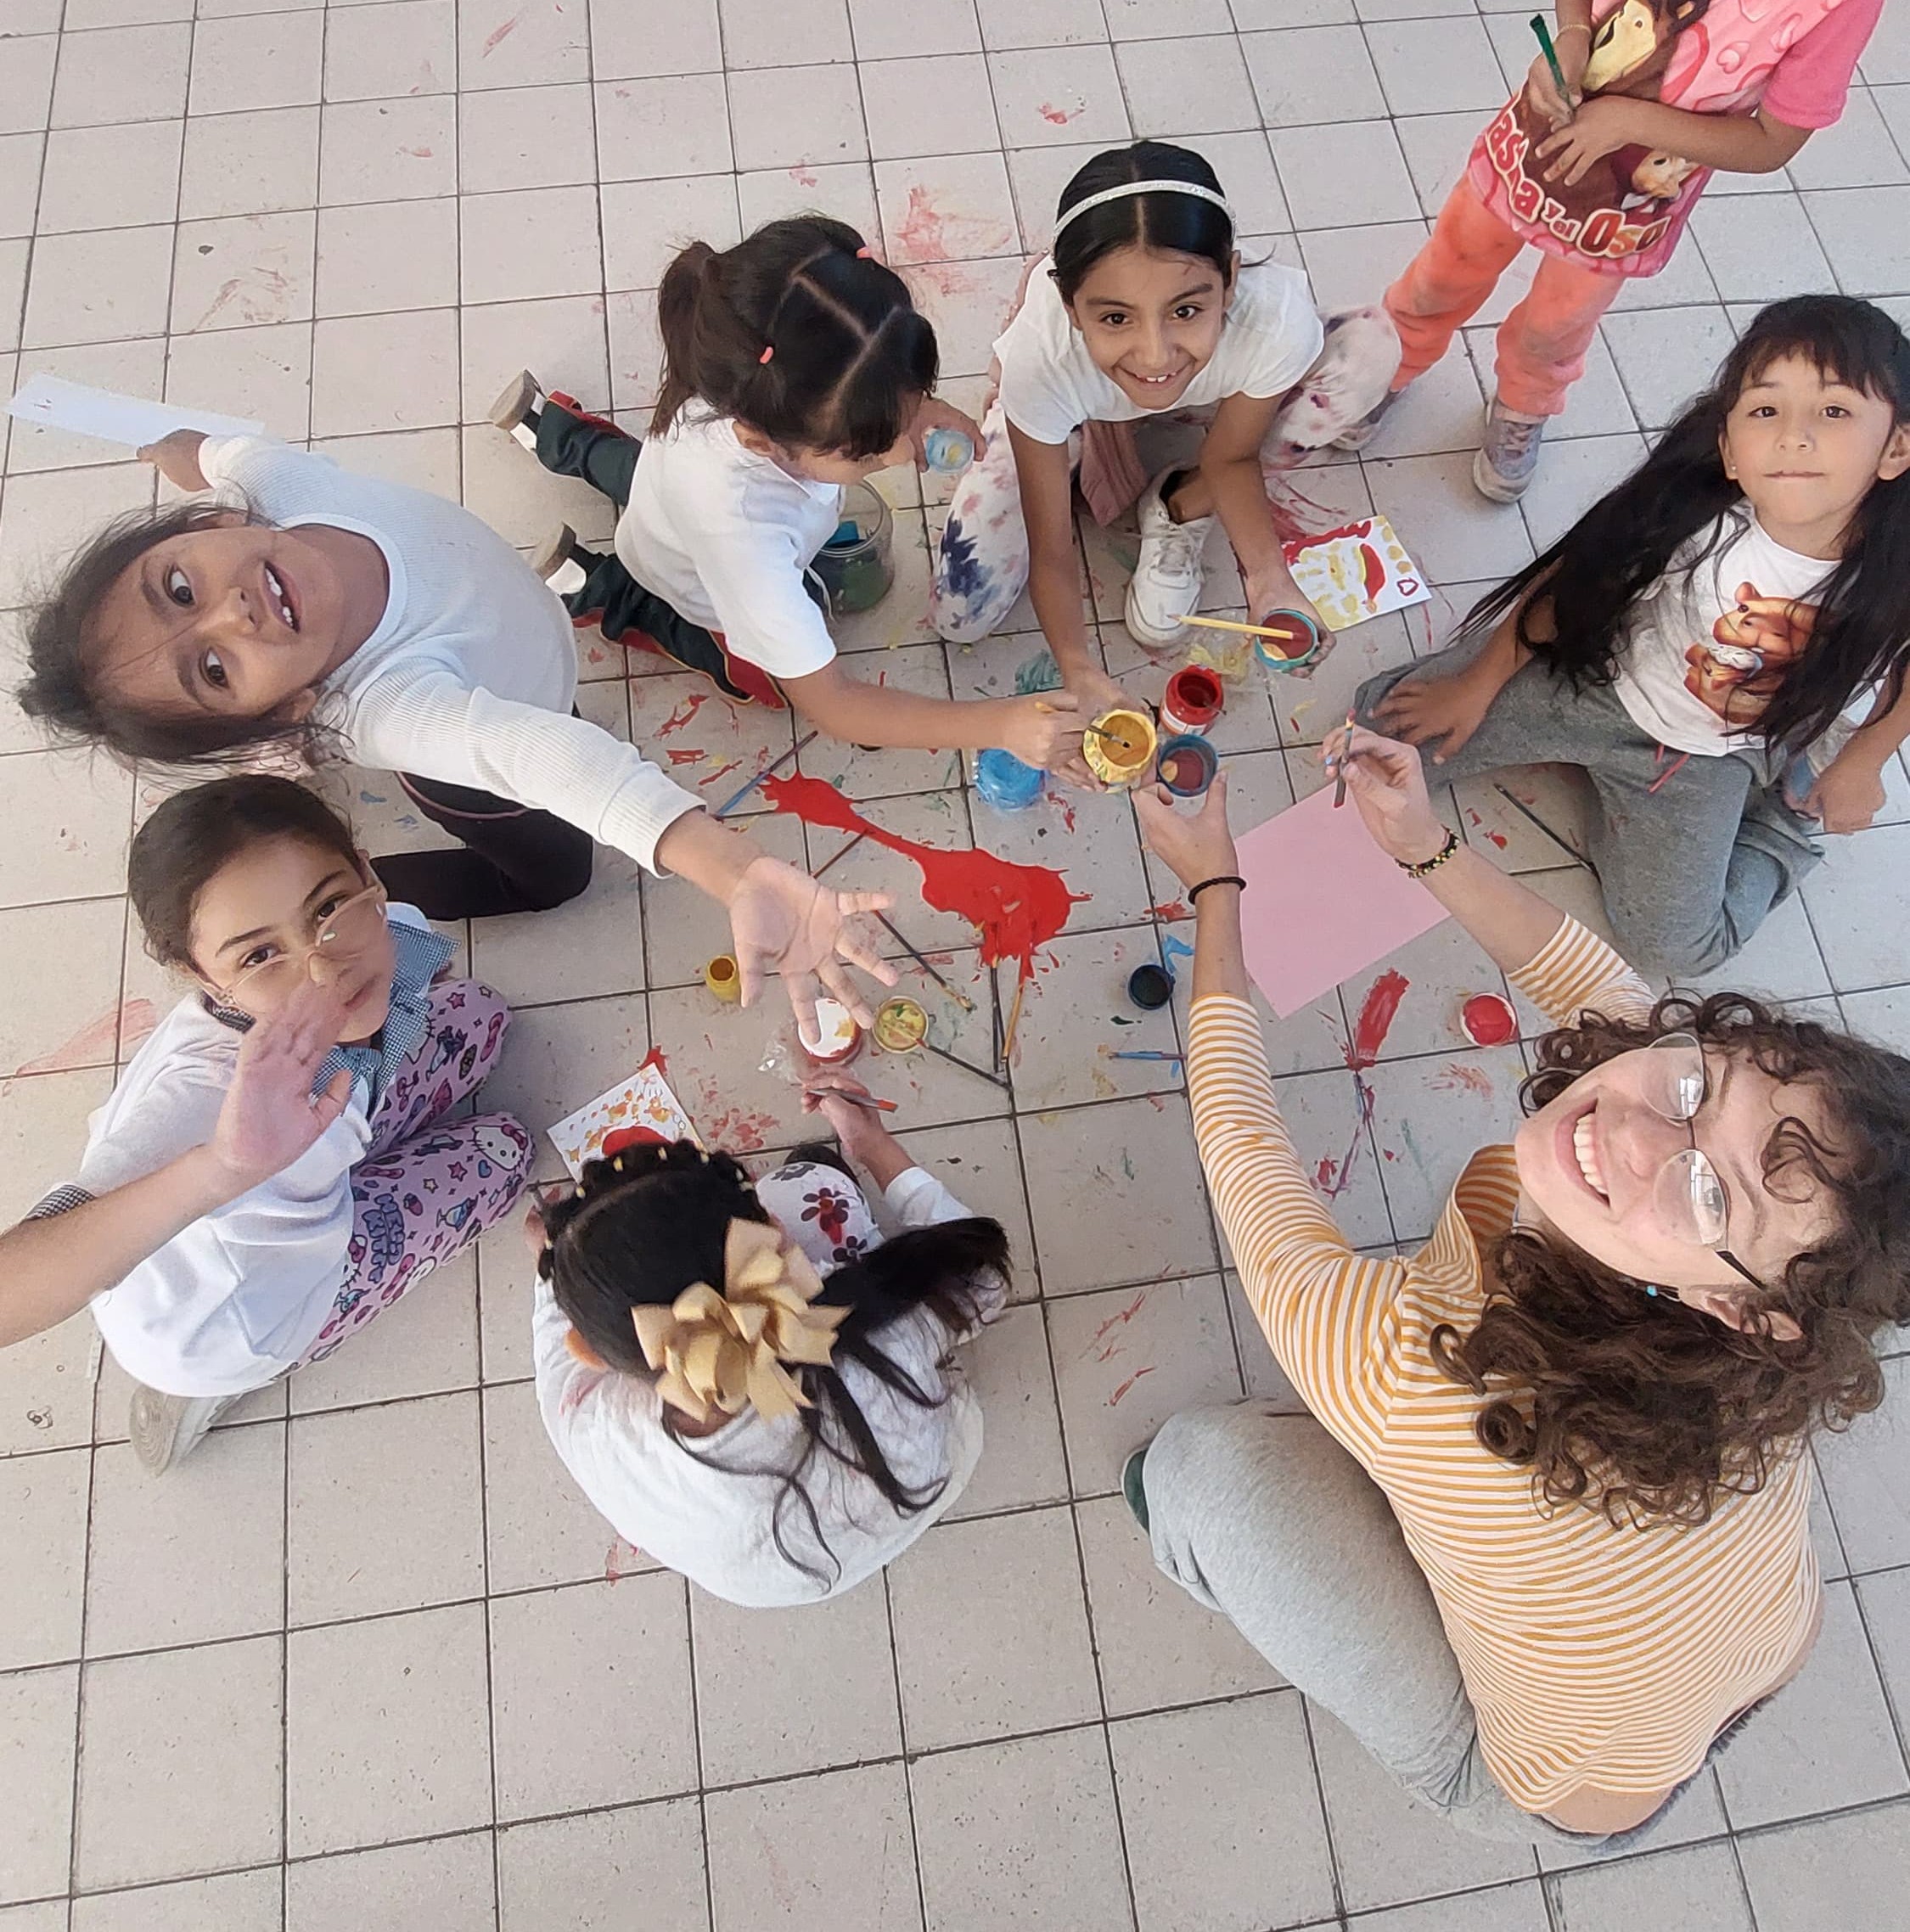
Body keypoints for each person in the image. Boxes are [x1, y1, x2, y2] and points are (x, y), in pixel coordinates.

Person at [1126, 733, 1910, 1847]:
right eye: (1695, 1083)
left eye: (1706, 1195)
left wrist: (1215, 886)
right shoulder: (1783, 1323)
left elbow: (1243, 1147)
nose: (1630, 1130)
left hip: (1555, 1785)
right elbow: (1598, 990)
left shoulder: (1401, 1373)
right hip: (1750, 1656)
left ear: (1740, 1310)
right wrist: (1424, 843)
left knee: (1202, 1470)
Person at [14, 426, 893, 1035]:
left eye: (178, 588)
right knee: (555, 875)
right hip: (479, 772)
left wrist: (182, 450)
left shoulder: (274, 485)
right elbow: (547, 761)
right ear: (284, 710)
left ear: (210, 522)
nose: (230, 613)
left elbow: (220, 451)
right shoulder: (392, 706)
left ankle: (329, 884)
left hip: (524, 667)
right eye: (212, 669)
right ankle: (356, 888)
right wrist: (736, 870)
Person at [1357, 296, 1910, 977]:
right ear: (1730, 450)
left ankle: (1782, 822)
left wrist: (1862, 762)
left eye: (1834, 411)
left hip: (1713, 756)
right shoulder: (1696, 518)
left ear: (1896, 448)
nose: (1795, 437)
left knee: (1675, 951)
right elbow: (1574, 583)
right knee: (1374, 733)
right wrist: (1476, 684)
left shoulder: (1895, 566)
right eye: (1767, 410)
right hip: (1601, 686)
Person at [0, 777, 532, 1472]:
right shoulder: (201, 1096)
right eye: (259, 956)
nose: (323, 971)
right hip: (228, 1312)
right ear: (202, 976)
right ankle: (198, 1390)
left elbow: (418, 967)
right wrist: (225, 1169)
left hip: (323, 1149)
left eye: (329, 908)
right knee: (505, 1152)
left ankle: (340, 1163)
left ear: (365, 872)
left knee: (483, 1016)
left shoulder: (390, 926)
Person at [492, 216, 1082, 773]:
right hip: (686, 576)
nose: (905, 453)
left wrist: (913, 411)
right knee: (761, 681)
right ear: (762, 441)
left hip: (668, 485)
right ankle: (600, 588)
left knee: (638, 470)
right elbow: (834, 705)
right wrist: (1001, 724)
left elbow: (856, 376)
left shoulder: (743, 367)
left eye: (909, 403)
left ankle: (557, 432)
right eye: (869, 451)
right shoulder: (749, 552)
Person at [1343, 0, 1888, 499]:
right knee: (1451, 264)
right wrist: (1572, 34)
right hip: (1538, 136)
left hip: (1628, 203)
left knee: (1559, 321)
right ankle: (1392, 358)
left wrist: (1631, 122)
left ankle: (1523, 405)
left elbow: (1772, 142)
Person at [930, 140, 1393, 699]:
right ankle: (1076, 437)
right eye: (1116, 317)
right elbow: (1051, 548)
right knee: (961, 612)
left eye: (1186, 310)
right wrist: (1078, 670)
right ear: (1070, 306)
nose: (1155, 355)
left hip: (1204, 390)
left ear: (1231, 279)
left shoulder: (1273, 322)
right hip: (1073, 404)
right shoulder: (1041, 359)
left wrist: (1270, 581)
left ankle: (1180, 505)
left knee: (1370, 349)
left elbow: (1233, 458)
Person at [528, 1071, 1009, 1606]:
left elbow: (557, 1356)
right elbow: (984, 1280)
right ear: (776, 1236)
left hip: (792, 1582)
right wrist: (871, 1144)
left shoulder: (593, 1430)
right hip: (924, 1485)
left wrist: (553, 1267)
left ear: (590, 1353)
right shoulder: (887, 1333)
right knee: (808, 1184)